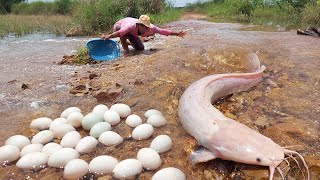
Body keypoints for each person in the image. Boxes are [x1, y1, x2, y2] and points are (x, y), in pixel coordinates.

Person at [101, 15, 186, 55]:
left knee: (140, 48)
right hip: (120, 25)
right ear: (139, 25)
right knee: (122, 31)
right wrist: (108, 36)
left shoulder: (151, 28)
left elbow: (163, 31)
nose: (147, 29)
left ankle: (128, 42)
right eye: (145, 27)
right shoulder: (130, 26)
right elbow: (120, 32)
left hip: (131, 33)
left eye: (147, 27)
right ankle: (125, 49)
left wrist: (177, 34)